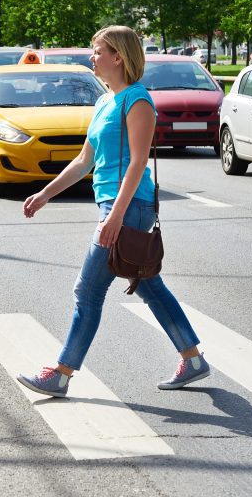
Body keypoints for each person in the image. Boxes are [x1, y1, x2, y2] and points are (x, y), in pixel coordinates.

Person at [16, 25, 209, 398]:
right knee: (149, 285)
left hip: (129, 206)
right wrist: (45, 194)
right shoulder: (106, 100)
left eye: (98, 51)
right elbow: (84, 160)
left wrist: (116, 216)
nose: (92, 57)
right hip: (115, 205)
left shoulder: (137, 101)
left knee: (88, 290)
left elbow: (137, 163)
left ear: (118, 57)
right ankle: (193, 358)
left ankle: (61, 374)